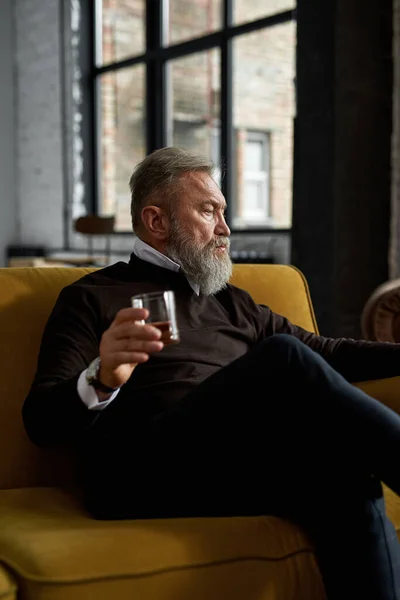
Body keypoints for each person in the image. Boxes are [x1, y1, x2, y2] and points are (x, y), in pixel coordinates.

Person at [22, 146, 400, 600]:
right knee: (282, 355)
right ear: (157, 221)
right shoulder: (92, 296)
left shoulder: (231, 301)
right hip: (138, 475)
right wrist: (101, 377)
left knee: (346, 477)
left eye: (223, 213)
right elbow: (42, 422)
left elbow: (328, 352)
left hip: (228, 466)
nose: (224, 228)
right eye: (208, 211)